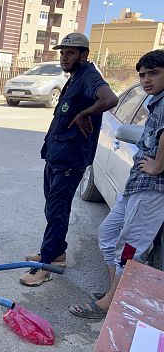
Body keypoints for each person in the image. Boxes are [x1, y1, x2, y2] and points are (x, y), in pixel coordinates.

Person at [69, 50, 164, 319]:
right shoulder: (156, 101)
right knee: (108, 235)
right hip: (136, 184)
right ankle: (116, 291)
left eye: (153, 73)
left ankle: (112, 303)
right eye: (143, 75)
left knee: (130, 248)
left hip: (152, 190)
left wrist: (157, 165)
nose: (146, 80)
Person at [20, 33, 118, 286]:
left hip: (69, 160)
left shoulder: (89, 76)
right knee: (52, 209)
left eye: (70, 52)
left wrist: (87, 112)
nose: (64, 56)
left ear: (84, 55)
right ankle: (56, 252)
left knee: (57, 211)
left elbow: (109, 99)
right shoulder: (74, 77)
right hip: (56, 155)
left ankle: (47, 264)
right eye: (62, 52)